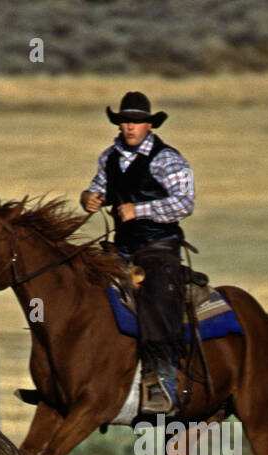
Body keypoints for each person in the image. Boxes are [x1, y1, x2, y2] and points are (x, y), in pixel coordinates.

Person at [80, 91, 194, 415]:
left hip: (159, 247)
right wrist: (88, 198)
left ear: (149, 125)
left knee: (157, 300)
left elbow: (185, 202)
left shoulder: (167, 159)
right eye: (125, 121)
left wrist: (140, 210)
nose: (130, 127)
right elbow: (97, 188)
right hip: (122, 247)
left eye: (137, 122)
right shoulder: (109, 156)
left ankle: (163, 379)